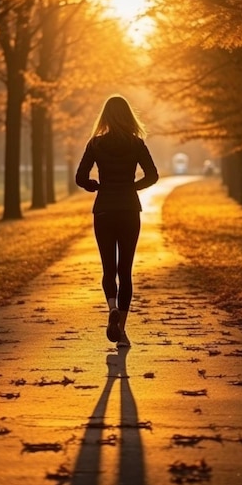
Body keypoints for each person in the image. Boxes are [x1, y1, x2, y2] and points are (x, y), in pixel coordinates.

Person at [75, 95, 159, 349]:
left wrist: (96, 186)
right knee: (125, 270)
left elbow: (80, 177)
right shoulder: (136, 143)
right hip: (129, 209)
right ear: (128, 116)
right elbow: (153, 176)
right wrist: (132, 187)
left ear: (106, 117)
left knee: (108, 269)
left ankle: (111, 306)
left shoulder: (96, 144)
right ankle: (121, 330)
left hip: (104, 210)